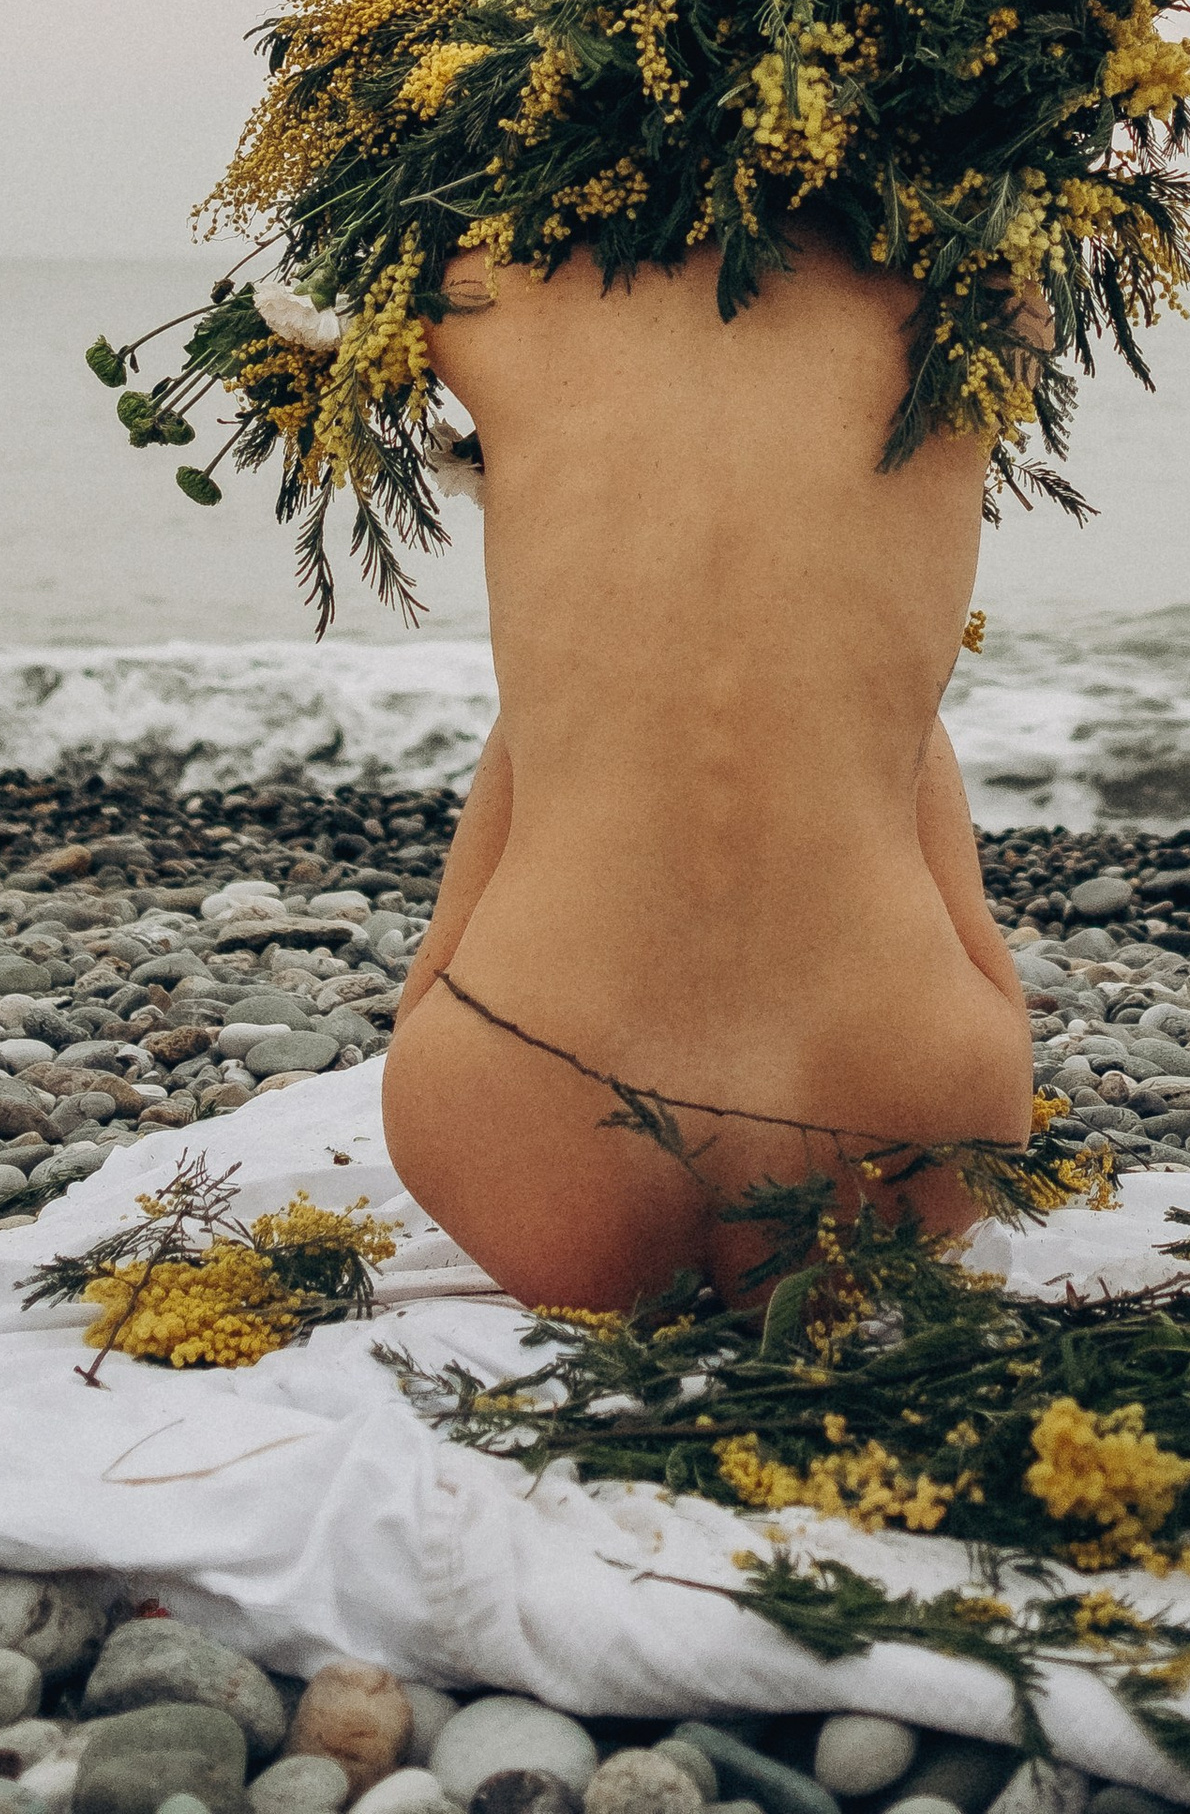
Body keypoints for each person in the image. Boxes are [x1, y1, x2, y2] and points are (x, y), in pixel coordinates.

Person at [380, 229, 1034, 1310]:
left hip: (516, 1114)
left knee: (558, 714)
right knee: (882, 706)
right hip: (912, 1122)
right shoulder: (976, 286)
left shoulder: (472, 288)